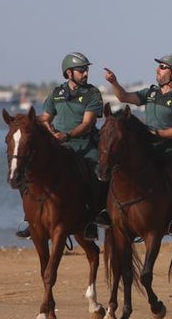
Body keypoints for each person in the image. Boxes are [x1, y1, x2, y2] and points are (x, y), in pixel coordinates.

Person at [15, 52, 105, 241]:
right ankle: (30, 219)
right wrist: (29, 123)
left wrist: (68, 134)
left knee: (97, 173)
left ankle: (94, 218)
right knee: (28, 173)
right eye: (82, 70)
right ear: (69, 73)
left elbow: (88, 123)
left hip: (85, 145)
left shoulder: (92, 93)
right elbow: (46, 117)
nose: (86, 73)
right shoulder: (57, 93)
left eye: (86, 70)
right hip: (59, 145)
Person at [104, 54, 172, 237]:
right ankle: (112, 213)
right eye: (158, 67)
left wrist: (157, 134)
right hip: (147, 148)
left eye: (161, 67)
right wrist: (114, 82)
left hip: (170, 149)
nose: (157, 70)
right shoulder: (151, 93)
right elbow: (124, 97)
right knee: (114, 168)